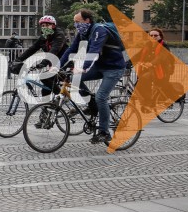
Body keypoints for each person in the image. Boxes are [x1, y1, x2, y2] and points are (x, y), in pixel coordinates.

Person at [59, 9, 126, 145]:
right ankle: (92, 105)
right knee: (74, 79)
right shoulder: (83, 33)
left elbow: (93, 50)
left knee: (101, 96)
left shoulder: (99, 30)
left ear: (87, 20)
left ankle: (104, 132)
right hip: (100, 66)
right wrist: (58, 65)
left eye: (77, 22)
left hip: (114, 68)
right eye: (74, 22)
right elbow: (71, 49)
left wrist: (83, 67)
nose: (75, 25)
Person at [12, 15, 68, 96]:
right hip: (53, 65)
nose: (45, 27)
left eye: (48, 25)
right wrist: (18, 60)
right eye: (43, 25)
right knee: (45, 89)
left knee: (44, 77)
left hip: (64, 64)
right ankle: (46, 107)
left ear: (53, 25)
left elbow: (54, 50)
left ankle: (62, 96)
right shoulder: (43, 37)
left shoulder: (59, 35)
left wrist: (43, 63)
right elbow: (32, 49)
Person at [132, 28, 177, 107]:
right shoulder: (147, 45)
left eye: (155, 35)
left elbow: (161, 57)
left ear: (160, 36)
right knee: (139, 84)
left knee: (145, 79)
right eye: (151, 35)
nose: (153, 37)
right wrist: (127, 63)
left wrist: (152, 63)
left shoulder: (164, 45)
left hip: (163, 70)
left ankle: (149, 102)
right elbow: (138, 55)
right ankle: (147, 101)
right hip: (151, 69)